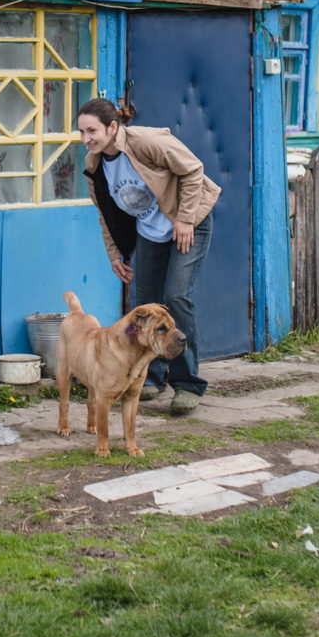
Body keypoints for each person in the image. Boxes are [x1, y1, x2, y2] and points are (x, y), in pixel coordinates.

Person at [77, 97, 219, 414]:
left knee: (176, 296)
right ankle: (150, 378)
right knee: (145, 306)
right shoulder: (94, 164)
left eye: (92, 131)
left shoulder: (146, 141)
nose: (87, 139)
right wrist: (115, 253)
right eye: (82, 132)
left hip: (189, 223)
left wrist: (184, 219)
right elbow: (105, 213)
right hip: (151, 232)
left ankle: (187, 384)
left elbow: (193, 169)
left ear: (112, 127)